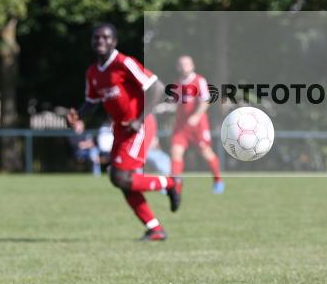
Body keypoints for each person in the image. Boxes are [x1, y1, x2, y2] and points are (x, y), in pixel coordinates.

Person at [68, 23, 181, 241]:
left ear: (114, 42)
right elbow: (91, 103)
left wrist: (140, 119)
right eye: (96, 38)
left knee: (120, 177)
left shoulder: (124, 63)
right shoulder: (93, 72)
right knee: (120, 179)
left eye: (106, 37)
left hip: (141, 124)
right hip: (121, 128)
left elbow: (157, 87)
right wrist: (78, 116)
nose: (100, 41)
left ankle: (170, 183)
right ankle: (155, 229)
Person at [167, 56, 224, 194]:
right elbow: (177, 105)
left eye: (187, 64)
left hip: (198, 126)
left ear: (192, 66)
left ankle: (218, 181)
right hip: (181, 127)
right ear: (178, 67)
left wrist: (196, 116)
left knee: (206, 153)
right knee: (175, 153)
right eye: (181, 64)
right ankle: (175, 185)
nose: (184, 66)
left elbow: (205, 101)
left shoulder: (199, 80)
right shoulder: (176, 84)